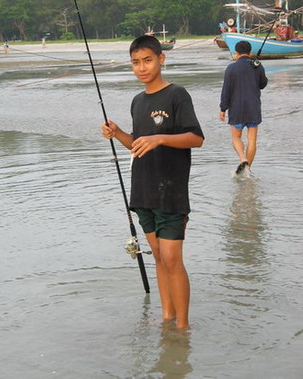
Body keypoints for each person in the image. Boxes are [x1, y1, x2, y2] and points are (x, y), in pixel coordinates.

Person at [102, 35, 204, 329]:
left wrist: (160, 138)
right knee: (159, 257)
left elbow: (196, 138)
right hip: (144, 189)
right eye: (136, 62)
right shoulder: (137, 101)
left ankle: (183, 327)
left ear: (162, 59)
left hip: (171, 191)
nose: (142, 67)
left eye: (147, 60)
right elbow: (138, 144)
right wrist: (118, 132)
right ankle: (167, 319)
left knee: (173, 259)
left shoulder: (177, 95)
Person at [219, 40, 268, 174]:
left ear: (236, 53)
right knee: (252, 140)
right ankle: (248, 170)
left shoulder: (231, 68)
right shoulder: (257, 66)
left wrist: (223, 108)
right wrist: (259, 70)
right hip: (253, 107)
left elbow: (226, 90)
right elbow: (263, 84)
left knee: (236, 138)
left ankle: (242, 159)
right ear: (250, 52)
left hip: (236, 108)